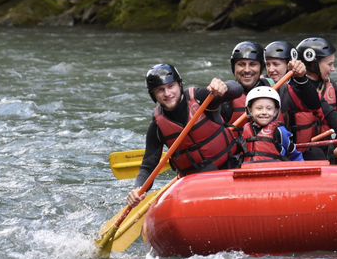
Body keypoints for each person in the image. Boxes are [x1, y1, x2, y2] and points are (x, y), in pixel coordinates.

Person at [127, 63, 243, 206]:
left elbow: (237, 89)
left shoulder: (201, 99)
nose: (167, 93)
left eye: (171, 87)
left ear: (180, 85)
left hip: (230, 168)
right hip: (196, 184)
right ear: (154, 95)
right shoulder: (157, 127)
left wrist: (224, 86)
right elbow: (148, 166)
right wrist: (137, 189)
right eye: (160, 90)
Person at [294, 37, 337, 160]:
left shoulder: (329, 86)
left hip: (328, 148)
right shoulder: (294, 88)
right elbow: (328, 112)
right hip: (302, 153)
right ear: (312, 64)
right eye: (330, 64)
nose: (333, 69)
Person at [239, 86, 304, 163]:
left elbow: (294, 155)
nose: (264, 112)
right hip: (249, 172)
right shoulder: (245, 130)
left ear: (275, 111)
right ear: (250, 110)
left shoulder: (280, 131)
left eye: (269, 108)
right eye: (259, 108)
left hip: (274, 172)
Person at [222, 41, 272, 125]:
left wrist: (300, 78)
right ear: (233, 67)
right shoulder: (224, 97)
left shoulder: (275, 87)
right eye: (241, 64)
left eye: (253, 64)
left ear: (261, 67)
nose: (247, 70)